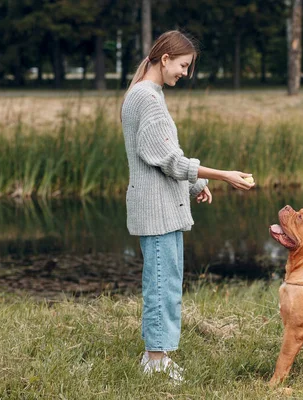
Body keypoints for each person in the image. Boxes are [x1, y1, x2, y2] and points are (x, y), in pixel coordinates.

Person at [121, 30, 254, 381]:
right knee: (162, 284)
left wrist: (196, 183)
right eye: (182, 65)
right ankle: (155, 360)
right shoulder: (146, 98)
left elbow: (166, 157)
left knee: (166, 280)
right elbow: (170, 161)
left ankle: (157, 354)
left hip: (161, 207)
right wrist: (223, 175)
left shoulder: (146, 95)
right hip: (157, 212)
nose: (184, 72)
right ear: (164, 59)